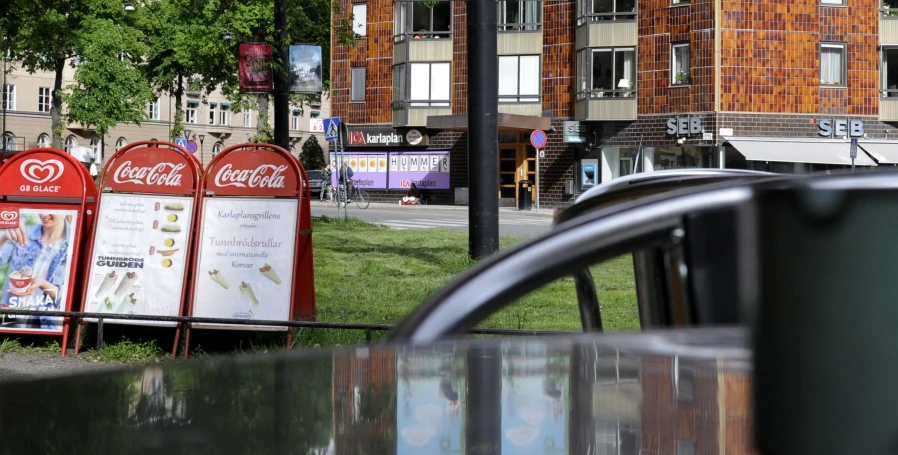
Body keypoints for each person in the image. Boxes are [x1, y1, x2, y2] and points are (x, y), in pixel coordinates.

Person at [0, 213, 73, 330]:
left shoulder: (74, 242)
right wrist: (3, 238)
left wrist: (43, 284)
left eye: (52, 209)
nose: (44, 214)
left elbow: (67, 298)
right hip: (11, 321)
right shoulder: (24, 233)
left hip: (47, 326)